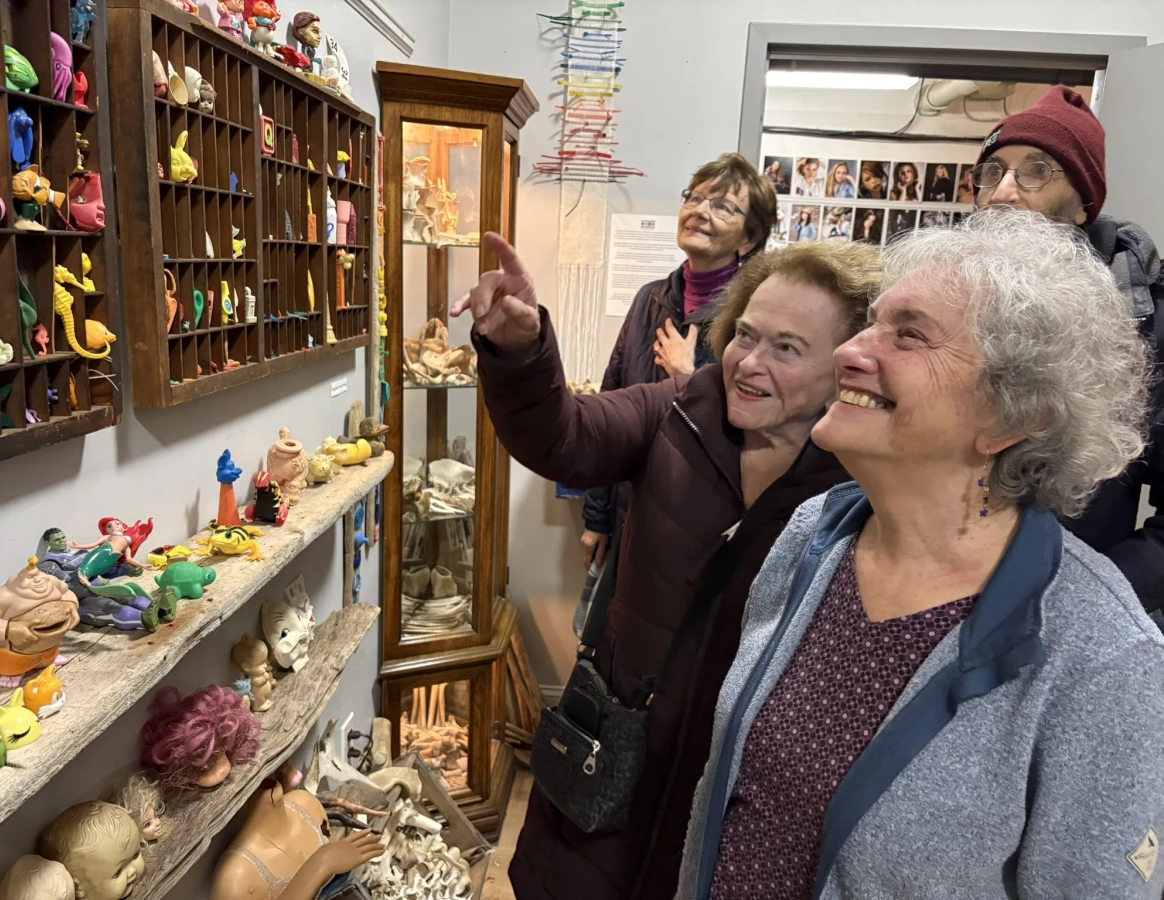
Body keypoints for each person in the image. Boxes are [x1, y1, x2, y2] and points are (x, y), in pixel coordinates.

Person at [676, 210, 1164, 900]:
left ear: (1014, 416)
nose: (851, 350)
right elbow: (729, 802)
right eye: (872, 321)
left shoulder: (1101, 654)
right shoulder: (817, 532)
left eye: (908, 334)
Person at [451, 232, 883, 900]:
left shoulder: (866, 484)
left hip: (735, 793)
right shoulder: (683, 408)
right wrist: (519, 352)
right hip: (614, 756)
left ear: (845, 365)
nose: (748, 362)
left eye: (787, 348)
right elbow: (564, 435)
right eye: (745, 334)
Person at [974, 84, 1164, 617]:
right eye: (993, 172)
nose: (1004, 193)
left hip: (1065, 615)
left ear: (1082, 204)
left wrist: (1083, 600)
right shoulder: (940, 301)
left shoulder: (1150, 321)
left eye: (1036, 171)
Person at [580, 153, 776, 571]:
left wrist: (689, 378)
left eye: (722, 206)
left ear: (748, 238)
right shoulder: (649, 298)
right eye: (695, 197)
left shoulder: (758, 316)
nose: (700, 212)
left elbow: (762, 436)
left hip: (701, 525)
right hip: (630, 509)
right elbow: (611, 407)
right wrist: (597, 516)